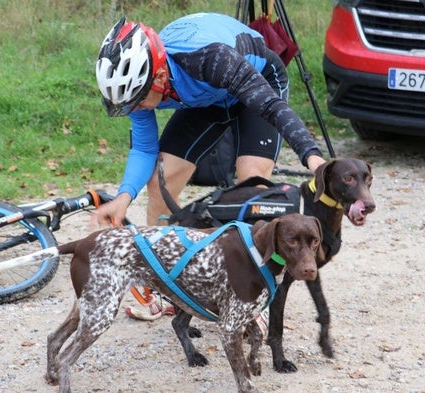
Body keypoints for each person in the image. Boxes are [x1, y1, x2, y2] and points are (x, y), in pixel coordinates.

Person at [91, 12, 326, 320]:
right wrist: (123, 198)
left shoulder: (208, 59)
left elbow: (271, 107)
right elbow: (145, 148)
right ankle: (167, 291)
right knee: (161, 180)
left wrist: (312, 156)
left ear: (159, 76)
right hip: (209, 98)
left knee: (252, 190)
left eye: (136, 101)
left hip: (256, 83)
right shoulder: (139, 85)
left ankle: (252, 298)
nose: (133, 109)